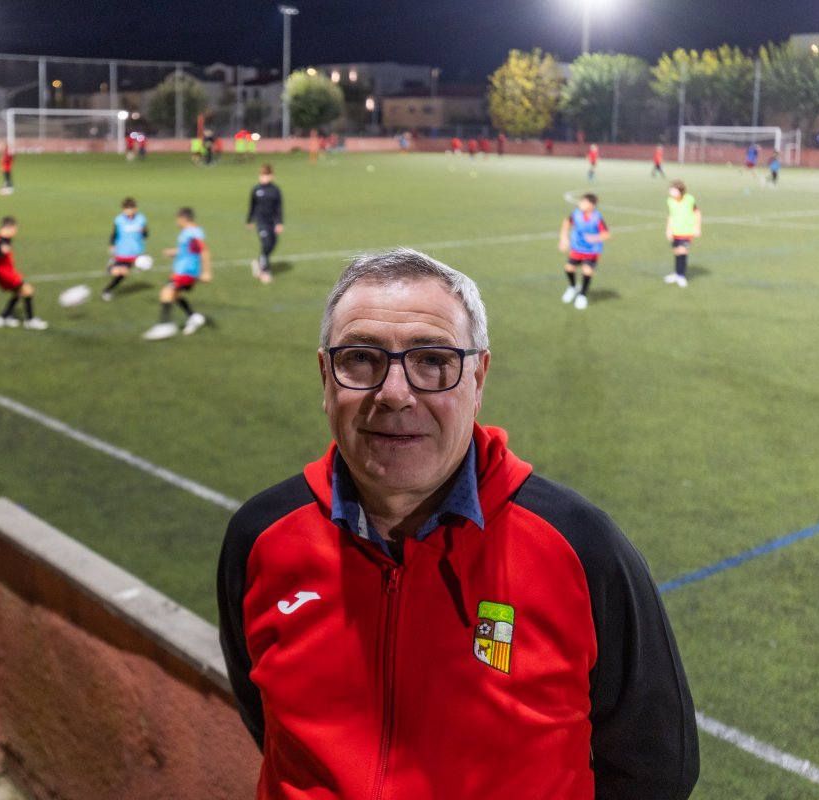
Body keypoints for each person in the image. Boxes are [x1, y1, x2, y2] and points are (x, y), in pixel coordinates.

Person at [218, 248, 699, 799]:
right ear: (326, 377)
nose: (394, 393)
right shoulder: (260, 538)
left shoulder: (582, 549)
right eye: (361, 358)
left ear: (478, 378)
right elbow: (268, 723)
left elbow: (657, 767)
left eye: (432, 360)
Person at [142, 207, 212, 340]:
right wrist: (173, 252)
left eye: (177, 219)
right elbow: (189, 250)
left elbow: (204, 250)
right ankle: (193, 317)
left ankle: (165, 325)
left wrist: (207, 272)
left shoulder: (192, 233)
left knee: (166, 293)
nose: (176, 222)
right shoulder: (188, 232)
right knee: (176, 295)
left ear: (183, 218)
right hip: (181, 270)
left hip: (187, 271)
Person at [0, 216, 47, 329]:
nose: (16, 232)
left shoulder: (2, 238)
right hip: (7, 275)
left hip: (6, 273)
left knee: (19, 293)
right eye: (15, 229)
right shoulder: (0, 241)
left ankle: (3, 318)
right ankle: (30, 321)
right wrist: (0, 251)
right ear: (9, 228)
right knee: (28, 291)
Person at [559, 193, 611, 310]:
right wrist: (563, 238)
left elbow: (607, 235)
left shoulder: (597, 218)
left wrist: (595, 238)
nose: (580, 204)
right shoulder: (576, 214)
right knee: (569, 268)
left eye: (583, 202)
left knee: (587, 270)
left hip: (592, 250)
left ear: (592, 205)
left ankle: (582, 295)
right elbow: (566, 222)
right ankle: (573, 287)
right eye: (580, 201)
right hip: (577, 248)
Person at [101, 197, 148, 301]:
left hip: (135, 252)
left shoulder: (141, 219)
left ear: (135, 209)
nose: (129, 211)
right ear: (123, 209)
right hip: (122, 251)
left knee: (123, 273)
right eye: (127, 209)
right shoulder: (119, 220)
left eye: (131, 208)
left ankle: (107, 290)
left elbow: (145, 235)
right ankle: (107, 289)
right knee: (119, 273)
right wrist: (112, 244)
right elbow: (114, 234)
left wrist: (143, 231)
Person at [246, 164, 284, 285]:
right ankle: (265, 271)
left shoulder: (275, 190)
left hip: (271, 222)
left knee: (272, 244)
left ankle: (259, 261)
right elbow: (252, 206)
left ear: (272, 176)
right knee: (266, 244)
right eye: (262, 175)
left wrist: (279, 223)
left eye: (267, 175)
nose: (264, 178)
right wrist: (249, 220)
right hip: (261, 222)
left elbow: (279, 208)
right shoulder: (256, 190)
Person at [664, 180, 701, 288]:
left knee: (683, 251)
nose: (671, 192)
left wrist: (697, 227)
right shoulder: (670, 201)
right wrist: (668, 229)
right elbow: (671, 216)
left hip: (686, 231)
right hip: (675, 231)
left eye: (673, 190)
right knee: (677, 252)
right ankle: (677, 274)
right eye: (670, 190)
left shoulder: (689, 199)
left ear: (680, 191)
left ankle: (681, 275)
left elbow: (697, 212)